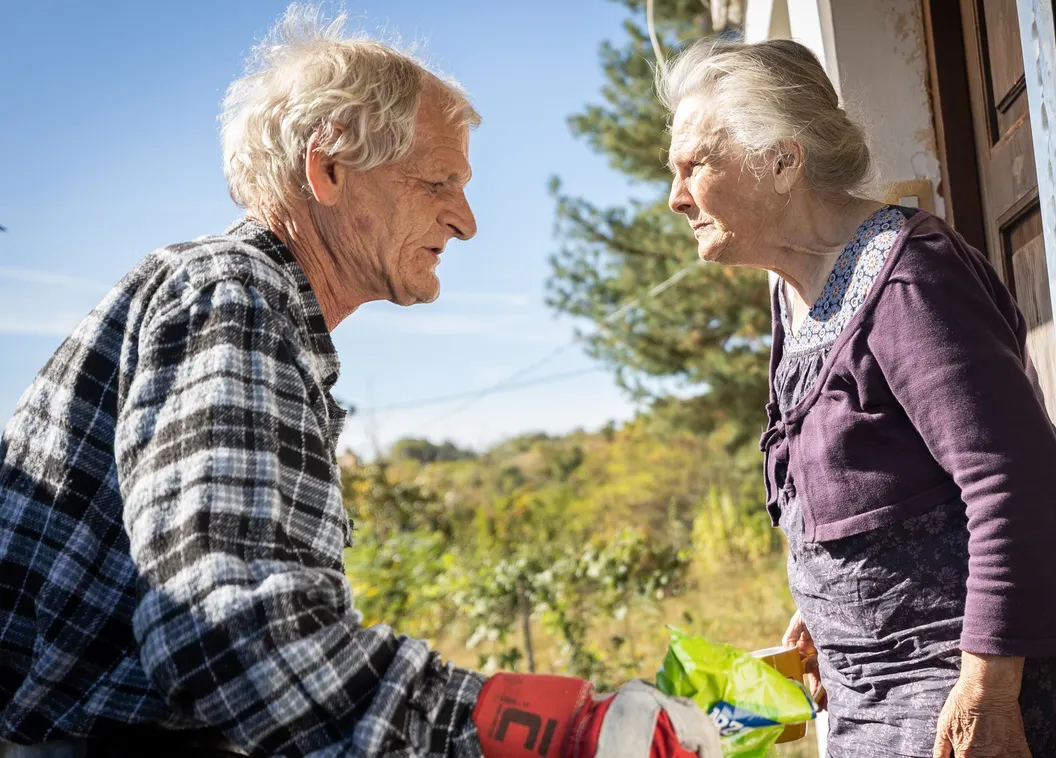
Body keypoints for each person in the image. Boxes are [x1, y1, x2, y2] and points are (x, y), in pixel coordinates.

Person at [0, 6, 719, 758]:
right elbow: (233, 636)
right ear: (329, 167)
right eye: (439, 181)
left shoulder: (246, 308)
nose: (467, 221)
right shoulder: (232, 293)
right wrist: (535, 732)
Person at [660, 38, 1056, 758]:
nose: (676, 196)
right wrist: (824, 607)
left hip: (954, 693)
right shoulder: (796, 293)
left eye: (694, 165)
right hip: (869, 689)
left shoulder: (910, 280)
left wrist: (988, 694)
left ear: (782, 161)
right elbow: (876, 486)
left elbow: (1014, 483)